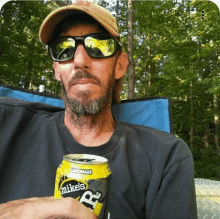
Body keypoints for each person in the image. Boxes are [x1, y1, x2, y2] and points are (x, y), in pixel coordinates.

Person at [0, 0, 197, 218]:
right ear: (57, 69)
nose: (80, 60)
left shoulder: (165, 155)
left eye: (99, 45)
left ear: (120, 65)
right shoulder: (6, 122)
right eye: (63, 49)